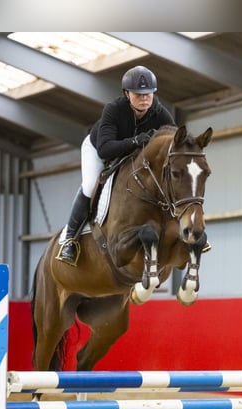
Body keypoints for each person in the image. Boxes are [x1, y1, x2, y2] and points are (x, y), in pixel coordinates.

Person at [56, 65, 175, 266]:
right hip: (98, 150)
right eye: (138, 94)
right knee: (90, 184)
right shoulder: (114, 109)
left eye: (148, 94)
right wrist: (136, 141)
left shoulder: (161, 114)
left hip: (131, 159)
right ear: (127, 94)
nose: (144, 98)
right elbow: (104, 149)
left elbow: (175, 140)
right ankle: (70, 239)